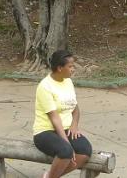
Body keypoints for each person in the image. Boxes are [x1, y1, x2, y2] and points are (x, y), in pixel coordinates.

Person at [34, 50, 92, 178]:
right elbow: (54, 118)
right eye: (70, 66)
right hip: (45, 132)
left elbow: (75, 108)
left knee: (85, 151)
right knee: (65, 151)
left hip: (66, 128)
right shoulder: (45, 86)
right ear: (60, 68)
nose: (73, 69)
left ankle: (50, 176)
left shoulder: (68, 81)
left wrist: (74, 125)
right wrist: (66, 142)